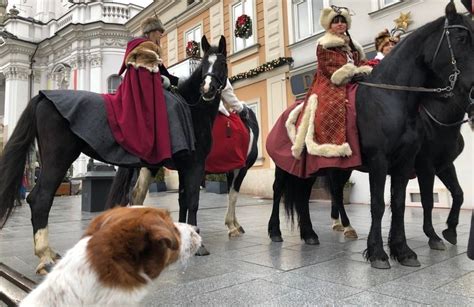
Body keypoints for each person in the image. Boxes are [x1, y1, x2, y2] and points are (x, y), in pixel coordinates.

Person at [266, 5, 373, 178]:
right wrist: (353, 72)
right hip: (329, 83)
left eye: (343, 21)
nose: (340, 24)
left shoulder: (353, 45)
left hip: (353, 80)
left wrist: (364, 70)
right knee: (329, 107)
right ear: (329, 25)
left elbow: (360, 62)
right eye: (336, 22)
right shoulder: (324, 45)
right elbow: (332, 71)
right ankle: (330, 151)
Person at [102, 17, 173, 165]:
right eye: (160, 32)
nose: (161, 35)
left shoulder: (142, 47)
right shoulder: (146, 48)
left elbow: (160, 73)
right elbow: (146, 80)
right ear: (151, 32)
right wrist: (162, 82)